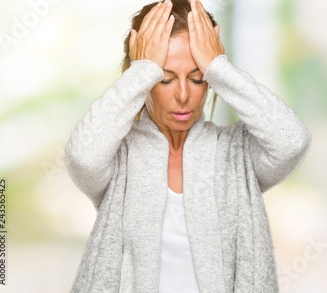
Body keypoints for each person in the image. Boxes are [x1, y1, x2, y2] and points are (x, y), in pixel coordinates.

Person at [64, 0, 311, 292]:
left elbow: (292, 141)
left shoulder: (236, 153)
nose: (183, 94)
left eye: (197, 78)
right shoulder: (120, 156)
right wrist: (142, 71)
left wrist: (219, 67)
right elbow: (82, 157)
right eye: (165, 79)